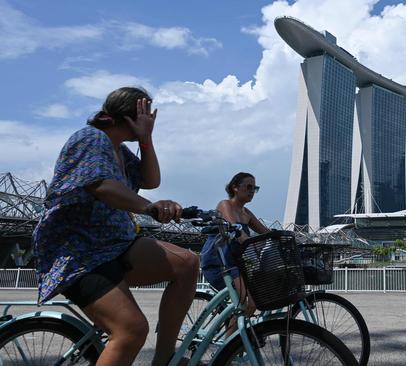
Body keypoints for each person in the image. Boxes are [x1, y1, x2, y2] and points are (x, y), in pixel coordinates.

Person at [32, 87, 199, 366]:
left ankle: (165, 359)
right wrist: (148, 207)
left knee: (187, 263)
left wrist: (146, 140)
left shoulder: (119, 149)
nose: (151, 120)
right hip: (80, 253)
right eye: (145, 115)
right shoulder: (91, 138)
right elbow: (101, 185)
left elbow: (150, 180)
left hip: (116, 245)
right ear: (132, 116)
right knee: (131, 330)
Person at [200, 172, 269, 319]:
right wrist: (249, 242)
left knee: (252, 302)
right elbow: (235, 229)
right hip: (220, 263)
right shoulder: (225, 205)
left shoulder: (246, 213)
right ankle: (230, 340)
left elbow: (265, 232)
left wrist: (282, 236)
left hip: (236, 264)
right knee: (243, 304)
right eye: (249, 187)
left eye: (255, 188)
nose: (252, 191)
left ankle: (236, 338)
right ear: (235, 188)